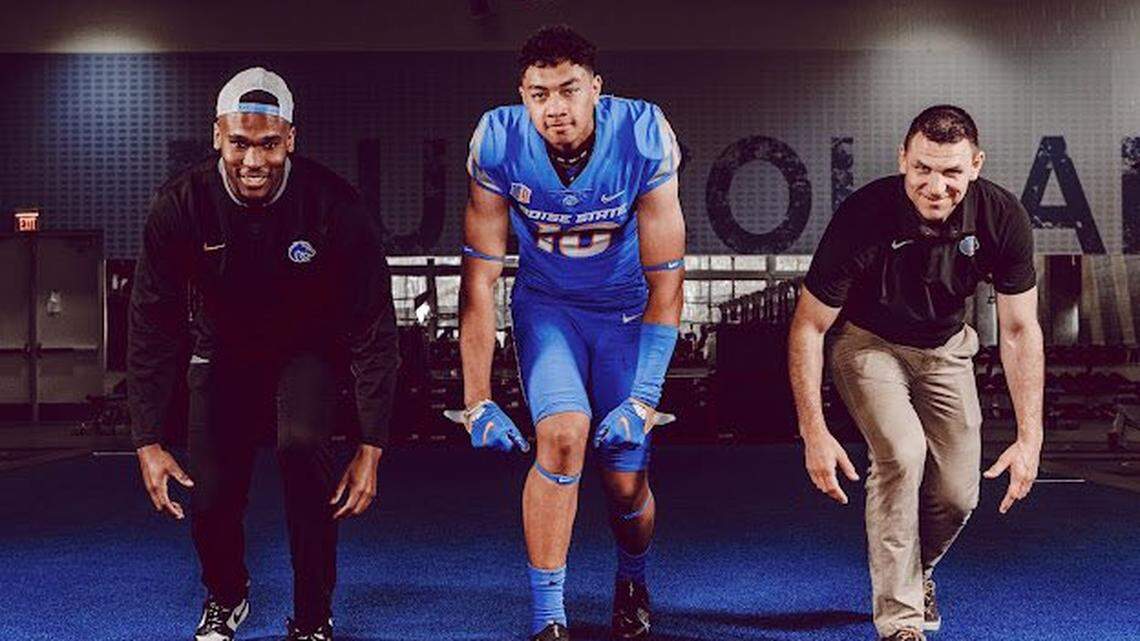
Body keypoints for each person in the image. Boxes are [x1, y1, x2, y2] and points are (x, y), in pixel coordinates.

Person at [128, 66, 398, 641]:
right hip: (222, 351)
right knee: (211, 493)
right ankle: (227, 594)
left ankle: (312, 614)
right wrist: (147, 437)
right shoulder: (179, 205)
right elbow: (153, 322)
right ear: (217, 135)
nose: (253, 161)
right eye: (240, 143)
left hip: (306, 350)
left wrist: (372, 443)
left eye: (269, 145)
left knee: (303, 451)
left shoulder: (334, 206)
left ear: (291, 140)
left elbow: (374, 323)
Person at [457, 25, 685, 641]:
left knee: (622, 481)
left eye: (568, 90)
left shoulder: (641, 134)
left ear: (596, 89)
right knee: (561, 436)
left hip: (625, 312)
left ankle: (632, 575)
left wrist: (643, 399)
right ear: (521, 94)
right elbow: (478, 282)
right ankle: (548, 618)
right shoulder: (498, 141)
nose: (553, 108)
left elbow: (667, 282)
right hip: (549, 309)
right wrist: (477, 397)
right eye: (538, 94)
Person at [788, 105, 1043, 641]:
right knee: (902, 454)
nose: (935, 185)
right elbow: (809, 327)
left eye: (951, 172)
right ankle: (901, 620)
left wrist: (1030, 437)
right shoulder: (863, 216)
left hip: (947, 350)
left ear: (975, 165)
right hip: (867, 346)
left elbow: (1020, 330)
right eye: (923, 168)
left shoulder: (1002, 216)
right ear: (903, 159)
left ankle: (916, 572)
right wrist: (814, 430)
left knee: (958, 492)